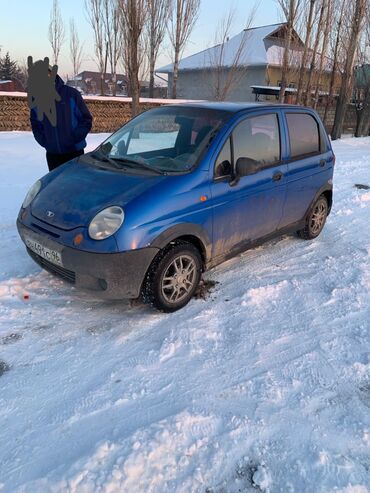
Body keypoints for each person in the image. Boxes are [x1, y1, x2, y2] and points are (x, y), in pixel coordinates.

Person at [27, 56, 93, 172]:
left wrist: (74, 138)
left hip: (74, 153)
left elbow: (86, 119)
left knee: (76, 187)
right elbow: (35, 124)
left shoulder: (71, 94)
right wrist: (45, 141)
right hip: (53, 155)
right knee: (57, 188)